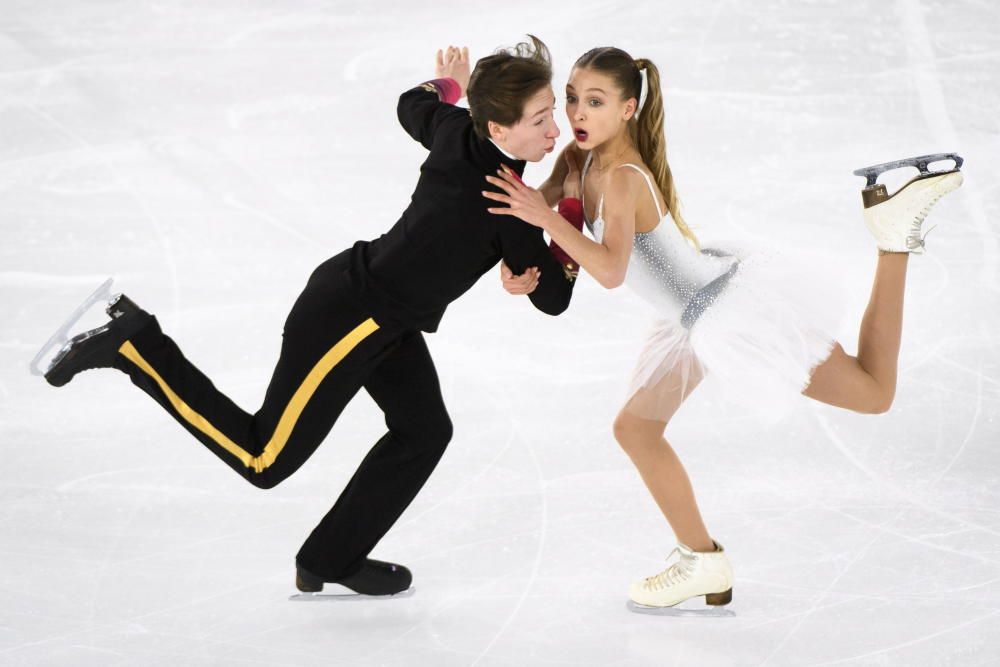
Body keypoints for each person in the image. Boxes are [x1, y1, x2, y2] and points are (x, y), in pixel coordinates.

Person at [36, 37, 582, 598]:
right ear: (497, 129)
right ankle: (133, 344)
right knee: (263, 457)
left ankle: (331, 557)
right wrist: (566, 212)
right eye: (540, 120)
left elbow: (409, 102)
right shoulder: (510, 204)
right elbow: (554, 298)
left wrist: (451, 86)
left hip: (372, 308)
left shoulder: (454, 129)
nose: (554, 132)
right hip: (352, 322)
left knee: (424, 432)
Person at [483, 46, 963, 609]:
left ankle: (893, 236)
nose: (579, 113)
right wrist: (522, 270)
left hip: (729, 314)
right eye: (572, 100)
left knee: (874, 392)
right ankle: (702, 561)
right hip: (686, 320)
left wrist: (544, 221)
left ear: (628, 108)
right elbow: (536, 216)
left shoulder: (620, 177)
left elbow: (610, 270)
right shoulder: (579, 157)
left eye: (595, 102)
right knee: (635, 429)